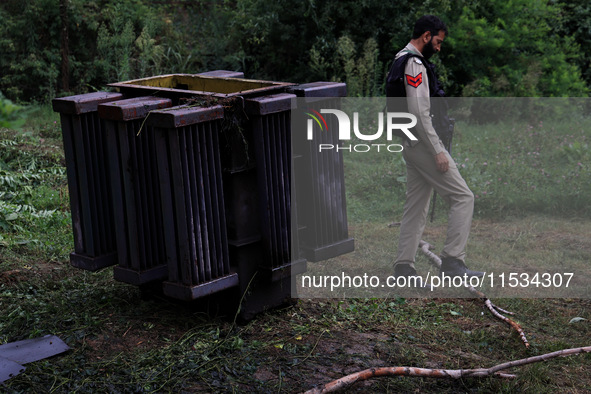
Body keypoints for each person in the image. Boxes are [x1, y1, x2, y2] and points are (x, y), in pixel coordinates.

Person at [389, 15, 484, 281]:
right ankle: (453, 262)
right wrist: (437, 151)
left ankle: (404, 268)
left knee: (416, 206)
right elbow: (419, 112)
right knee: (463, 197)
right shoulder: (414, 64)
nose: (439, 48)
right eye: (438, 41)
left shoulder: (399, 58)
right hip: (423, 143)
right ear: (427, 36)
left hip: (410, 142)